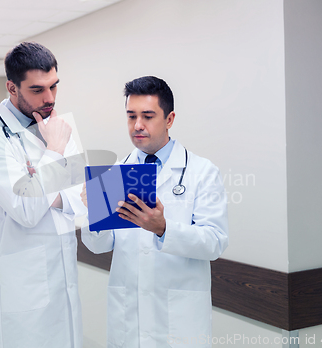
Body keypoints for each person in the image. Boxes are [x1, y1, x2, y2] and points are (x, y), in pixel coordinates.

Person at [81, 76, 229, 347]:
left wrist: (164, 228)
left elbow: (215, 242)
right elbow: (99, 246)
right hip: (129, 322)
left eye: (148, 116)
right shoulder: (114, 173)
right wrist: (95, 215)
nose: (137, 125)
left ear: (169, 119)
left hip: (179, 324)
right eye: (131, 116)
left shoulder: (201, 172)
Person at [0, 42, 86, 348]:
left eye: (54, 86)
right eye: (37, 90)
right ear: (12, 87)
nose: (49, 98)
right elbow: (26, 211)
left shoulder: (59, 126)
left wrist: (55, 197)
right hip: (23, 283)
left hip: (63, 274)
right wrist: (55, 151)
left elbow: (82, 202)